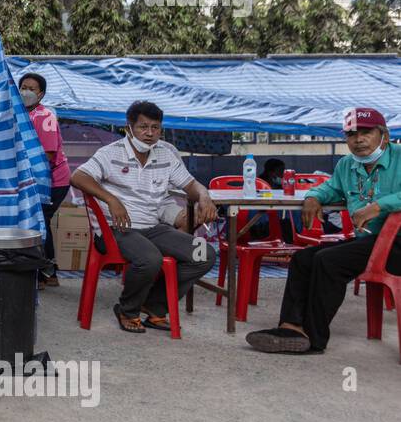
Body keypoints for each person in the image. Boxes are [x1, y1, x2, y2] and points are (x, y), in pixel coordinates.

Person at [247, 106, 401, 355]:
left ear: (383, 134)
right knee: (303, 258)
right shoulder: (347, 165)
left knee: (328, 261)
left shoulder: (400, 156)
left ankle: (314, 338)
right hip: (371, 242)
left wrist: (379, 206)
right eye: (351, 135)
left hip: (397, 245)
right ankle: (291, 326)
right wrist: (313, 197)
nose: (358, 140)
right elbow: (329, 188)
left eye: (366, 132)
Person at [70, 100, 219, 333]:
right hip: (117, 228)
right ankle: (127, 310)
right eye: (143, 127)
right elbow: (78, 177)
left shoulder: (165, 153)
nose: (150, 133)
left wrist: (204, 196)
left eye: (155, 127)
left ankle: (154, 306)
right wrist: (112, 199)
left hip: (152, 227)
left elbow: (190, 185)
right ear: (129, 128)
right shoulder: (110, 153)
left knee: (204, 253)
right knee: (150, 259)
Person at [19, 72, 70, 286]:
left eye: (32, 89)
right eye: (23, 87)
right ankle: (48, 272)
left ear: (41, 94)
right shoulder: (20, 115)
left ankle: (45, 273)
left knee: (38, 223)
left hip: (52, 182)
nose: (26, 92)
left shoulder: (45, 116)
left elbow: (47, 155)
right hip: (34, 181)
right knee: (41, 223)